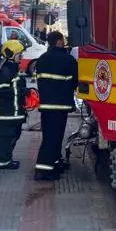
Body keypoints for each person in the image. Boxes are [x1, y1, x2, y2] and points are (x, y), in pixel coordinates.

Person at [33, 31, 77, 181]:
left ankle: (56, 161)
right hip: (61, 106)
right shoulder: (68, 60)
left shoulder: (42, 59)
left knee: (51, 136)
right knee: (53, 138)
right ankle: (43, 169)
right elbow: (76, 81)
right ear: (58, 42)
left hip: (46, 105)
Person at [0, 38, 27, 170]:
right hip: (6, 112)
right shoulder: (6, 70)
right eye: (20, 54)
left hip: (12, 111)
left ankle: (6, 158)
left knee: (14, 134)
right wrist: (22, 92)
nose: (22, 57)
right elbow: (2, 90)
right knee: (6, 136)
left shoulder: (11, 68)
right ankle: (2, 161)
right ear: (11, 54)